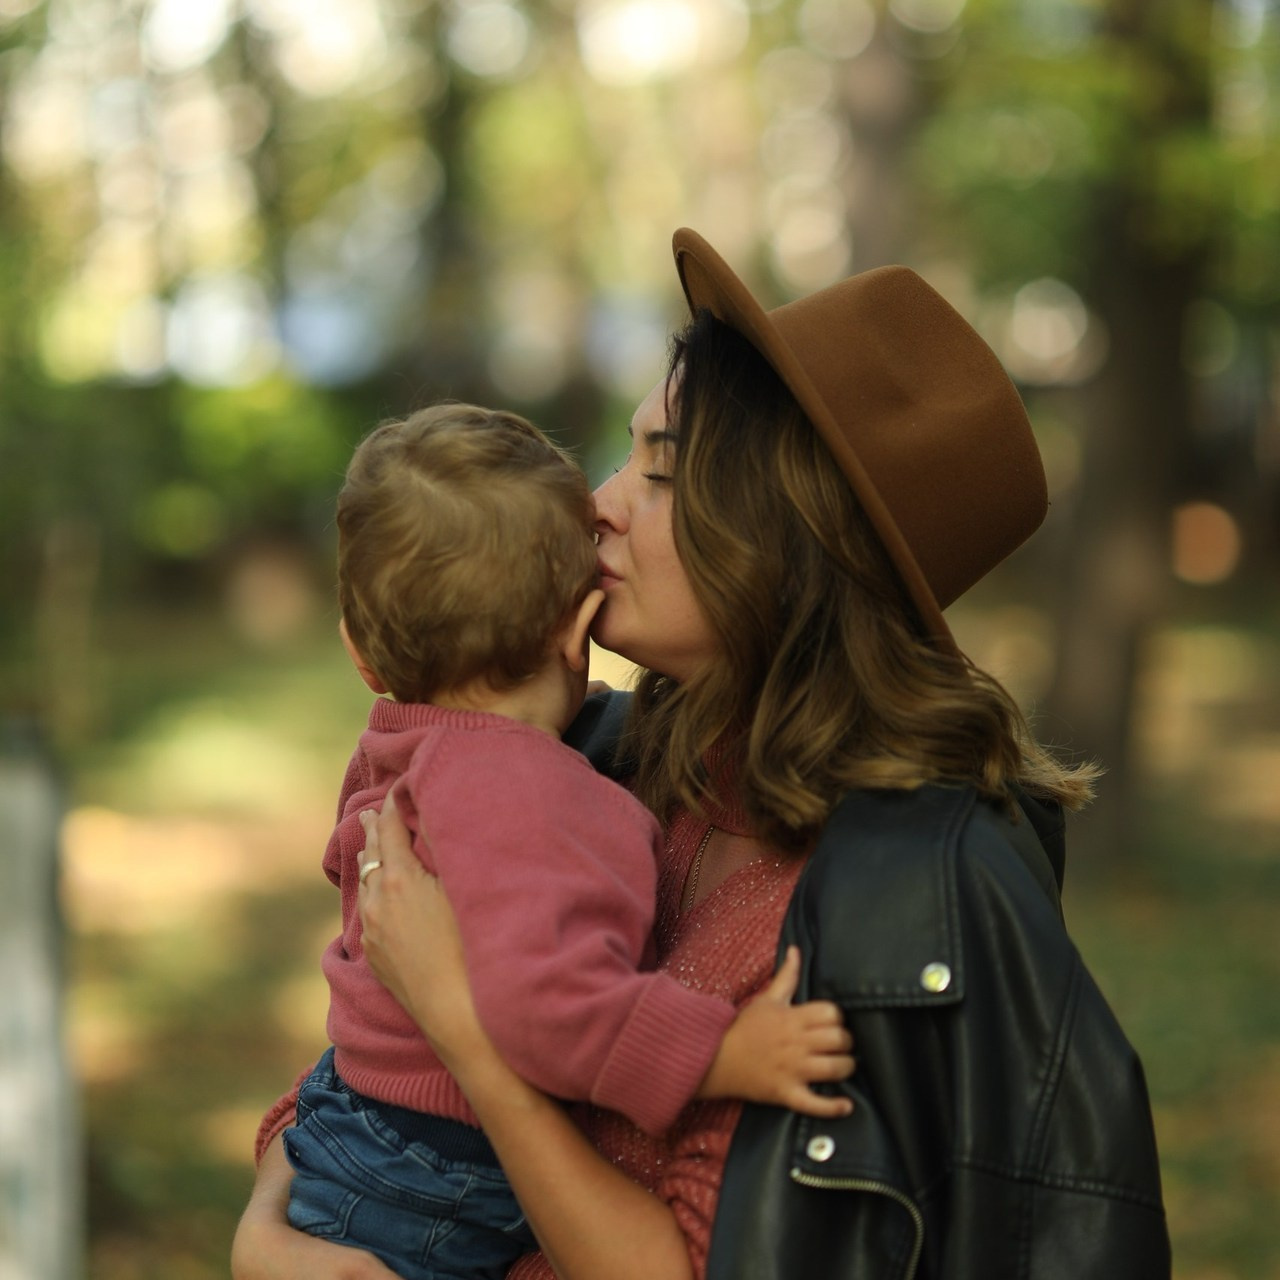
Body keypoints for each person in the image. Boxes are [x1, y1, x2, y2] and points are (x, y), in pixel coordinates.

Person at [233, 229, 1170, 1280]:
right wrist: (274, 1219)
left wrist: (470, 1033)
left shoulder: (861, 905)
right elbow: (377, 1011)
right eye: (626, 451)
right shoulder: (599, 756)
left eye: (660, 473)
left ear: (785, 547)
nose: (596, 503)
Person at [260, 401, 855, 1280]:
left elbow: (373, 921)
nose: (605, 506)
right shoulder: (529, 787)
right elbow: (546, 1007)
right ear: (573, 629)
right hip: (426, 1168)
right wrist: (724, 1054)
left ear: (362, 657)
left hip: (359, 1128)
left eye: (658, 469)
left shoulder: (406, 744)